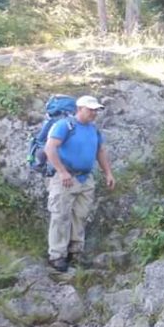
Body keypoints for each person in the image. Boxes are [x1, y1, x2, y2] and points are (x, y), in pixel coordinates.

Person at [44, 95, 115, 272]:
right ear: (79, 109)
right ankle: (57, 256)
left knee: (80, 215)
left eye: (95, 110)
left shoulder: (94, 130)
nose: (94, 113)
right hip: (65, 178)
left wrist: (108, 173)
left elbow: (100, 151)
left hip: (85, 178)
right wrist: (61, 172)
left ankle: (75, 252)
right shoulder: (64, 126)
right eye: (90, 109)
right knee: (60, 216)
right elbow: (50, 148)